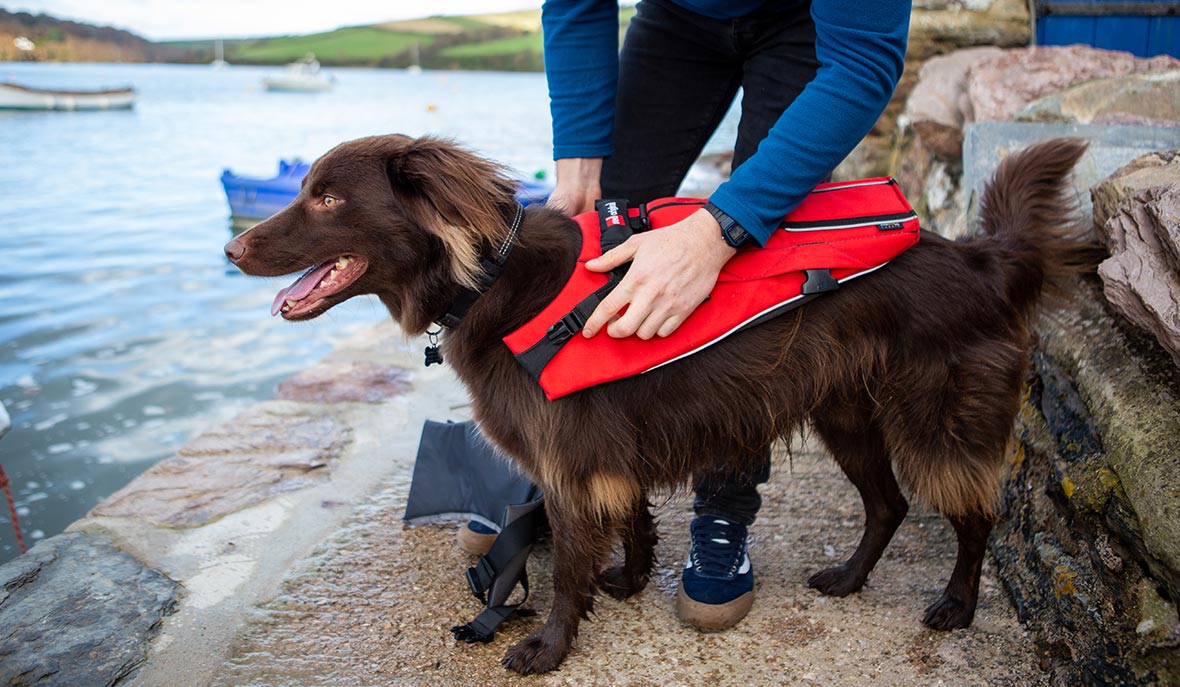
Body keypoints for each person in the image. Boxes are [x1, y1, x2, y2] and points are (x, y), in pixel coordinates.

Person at [538, 0, 910, 630]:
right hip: (677, 18)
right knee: (603, 221)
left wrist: (719, 232)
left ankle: (725, 504)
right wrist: (579, 155)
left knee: (758, 256)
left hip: (805, 24)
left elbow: (863, 61)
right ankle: (585, 472)